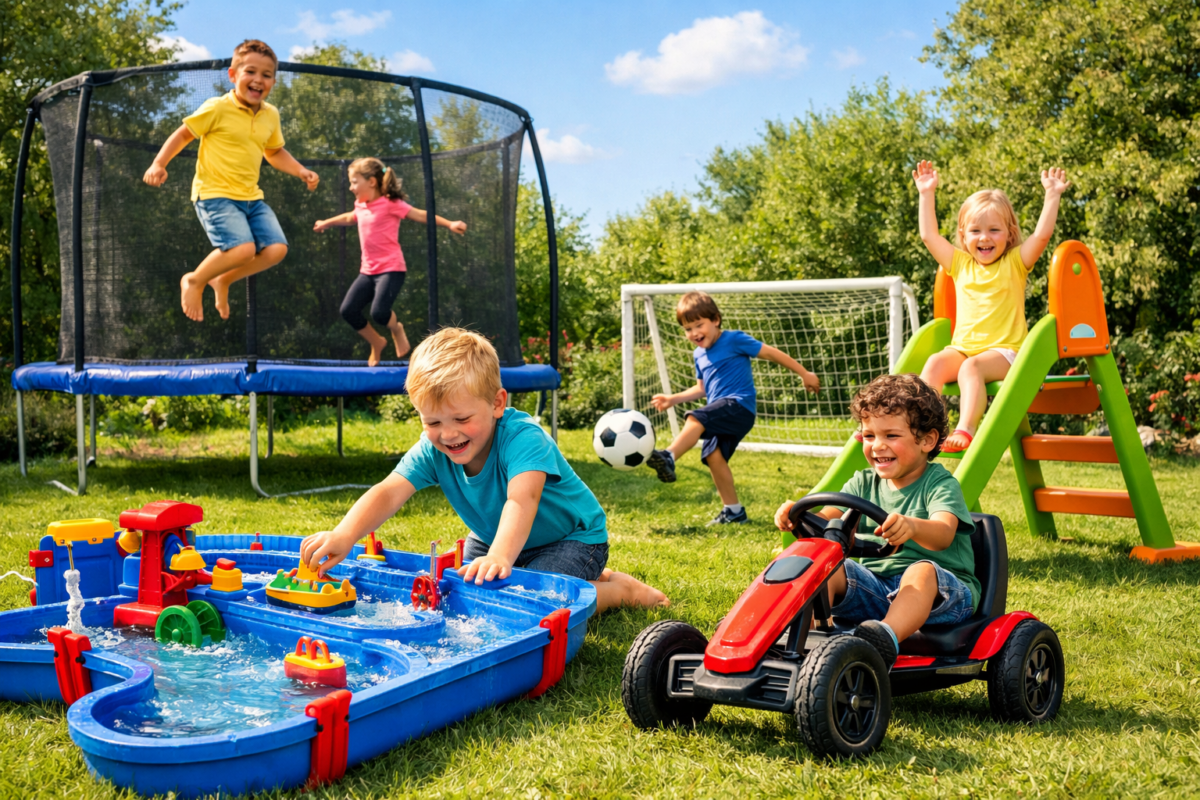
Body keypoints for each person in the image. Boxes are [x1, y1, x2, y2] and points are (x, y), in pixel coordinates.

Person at [300, 327, 669, 612]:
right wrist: (345, 534)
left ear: (497, 403)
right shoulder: (434, 448)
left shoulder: (523, 438)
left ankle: (619, 591)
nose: (447, 434)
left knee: (530, 598)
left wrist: (499, 558)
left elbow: (521, 502)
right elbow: (390, 489)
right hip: (496, 539)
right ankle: (583, 577)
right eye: (432, 422)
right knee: (462, 592)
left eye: (461, 418)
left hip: (572, 539)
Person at [773, 373, 978, 668]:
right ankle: (799, 633)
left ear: (927, 440)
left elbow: (944, 533)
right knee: (822, 564)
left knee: (921, 571)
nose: (877, 445)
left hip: (943, 595)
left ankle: (882, 638)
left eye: (891, 436)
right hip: (876, 589)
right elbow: (826, 518)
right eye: (869, 436)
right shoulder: (862, 483)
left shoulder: (940, 483)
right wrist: (797, 515)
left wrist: (913, 526)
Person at [143, 39, 320, 322]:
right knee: (243, 248)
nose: (258, 80)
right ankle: (195, 280)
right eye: (250, 72)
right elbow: (184, 134)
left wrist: (300, 170)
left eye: (266, 75)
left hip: (251, 197)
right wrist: (159, 163)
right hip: (214, 194)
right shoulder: (217, 108)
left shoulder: (270, 114)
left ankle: (222, 280)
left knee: (276, 250)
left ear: (274, 81)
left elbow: (273, 152)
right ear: (233, 75)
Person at [913, 161, 1071, 452]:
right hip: (963, 349)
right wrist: (926, 193)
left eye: (994, 230)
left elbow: (1042, 236)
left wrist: (1052, 196)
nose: (984, 237)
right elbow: (929, 236)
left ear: (1009, 234)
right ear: (963, 235)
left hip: (1005, 352)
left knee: (971, 368)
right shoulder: (959, 264)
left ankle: (966, 428)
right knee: (935, 362)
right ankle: (919, 424)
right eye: (975, 231)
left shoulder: (1015, 263)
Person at [646, 291, 821, 525]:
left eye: (699, 325)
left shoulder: (734, 339)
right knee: (713, 455)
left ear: (716, 320)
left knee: (695, 419)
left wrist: (804, 373)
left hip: (738, 405)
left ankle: (668, 456)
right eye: (688, 329)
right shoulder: (699, 354)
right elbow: (702, 389)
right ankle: (734, 511)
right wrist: (672, 399)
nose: (694, 333)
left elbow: (771, 353)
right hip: (721, 410)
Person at [313, 158, 466, 366]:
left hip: (391, 269)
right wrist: (326, 223)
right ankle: (377, 342)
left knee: (379, 312)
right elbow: (350, 218)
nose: (351, 187)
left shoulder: (390, 204)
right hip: (367, 271)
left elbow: (420, 215)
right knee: (348, 311)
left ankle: (397, 329)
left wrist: (449, 224)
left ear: (372, 182)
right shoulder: (360, 205)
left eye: (354, 182)